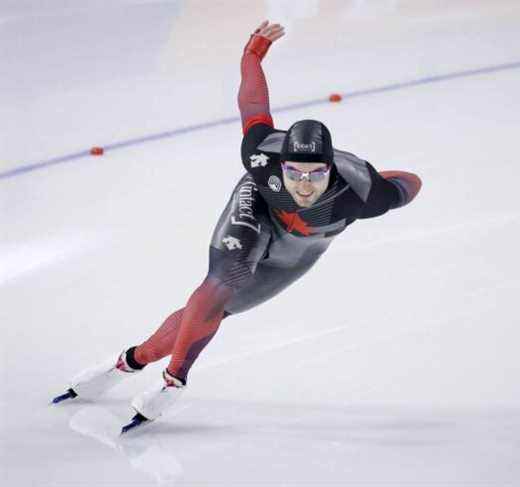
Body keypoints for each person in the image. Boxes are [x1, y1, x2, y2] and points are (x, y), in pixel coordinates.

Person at [51, 21, 422, 431]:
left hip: (300, 250)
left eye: (315, 175)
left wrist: (378, 179)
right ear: (281, 162)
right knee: (223, 278)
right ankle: (173, 382)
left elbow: (409, 184)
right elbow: (253, 104)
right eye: (294, 172)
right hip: (258, 209)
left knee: (221, 310)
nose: (302, 184)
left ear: (332, 169)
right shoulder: (261, 154)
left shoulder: (366, 193)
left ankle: (130, 360)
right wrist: (252, 54)